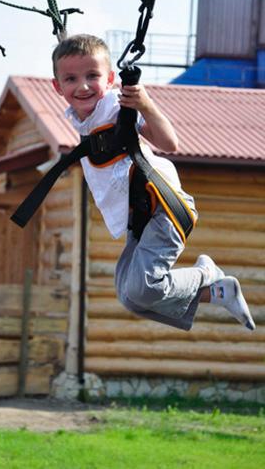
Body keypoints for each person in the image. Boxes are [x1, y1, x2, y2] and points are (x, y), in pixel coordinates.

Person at [52, 33, 255, 332]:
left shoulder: (116, 107)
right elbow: (74, 60)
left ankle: (206, 273)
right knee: (131, 298)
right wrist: (64, 39)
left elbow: (169, 143)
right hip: (141, 218)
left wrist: (145, 105)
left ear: (109, 79)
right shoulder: (82, 118)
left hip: (165, 208)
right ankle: (218, 292)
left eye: (92, 76)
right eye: (70, 79)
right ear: (57, 87)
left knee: (144, 288)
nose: (82, 86)